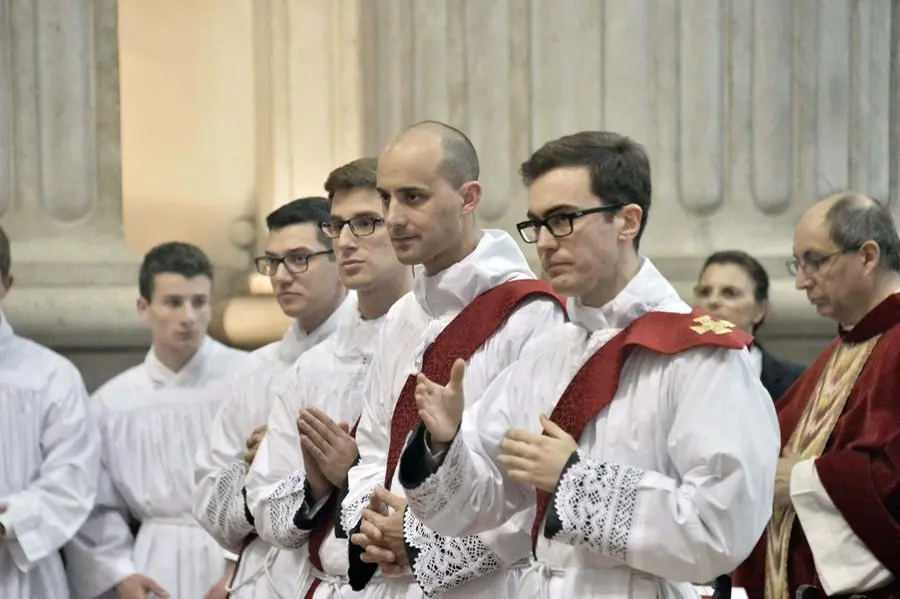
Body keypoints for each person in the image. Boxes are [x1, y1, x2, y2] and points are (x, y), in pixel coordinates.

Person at [399, 130, 780, 599]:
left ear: (627, 221)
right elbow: (475, 507)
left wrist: (574, 481)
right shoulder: (549, 352)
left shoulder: (698, 355)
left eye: (563, 219)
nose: (544, 242)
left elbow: (722, 527)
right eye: (536, 224)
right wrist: (444, 443)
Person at [340, 120, 566, 599]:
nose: (393, 217)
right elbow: (375, 445)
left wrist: (420, 542)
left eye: (413, 197)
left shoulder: (529, 316)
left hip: (489, 584)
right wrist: (373, 520)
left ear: (468, 198)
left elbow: (529, 486)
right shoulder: (403, 314)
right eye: (385, 198)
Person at [245, 156, 414, 599]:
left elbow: (464, 500)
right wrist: (315, 486)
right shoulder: (312, 367)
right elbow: (264, 500)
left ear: (402, 224)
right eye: (337, 226)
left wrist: (354, 473)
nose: (346, 241)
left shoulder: (437, 346)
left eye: (365, 223)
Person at [733, 192, 900, 599]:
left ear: (868, 256)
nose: (801, 280)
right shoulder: (842, 349)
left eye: (816, 261)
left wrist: (804, 480)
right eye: (798, 263)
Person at [63, 242, 248, 599]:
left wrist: (236, 573)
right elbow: (95, 506)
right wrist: (120, 574)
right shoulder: (111, 402)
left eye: (199, 302)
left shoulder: (247, 378)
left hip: (235, 562)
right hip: (151, 563)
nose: (189, 316)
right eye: (173, 302)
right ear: (143, 308)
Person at [193, 197, 356, 598]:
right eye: (272, 262)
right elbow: (207, 493)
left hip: (337, 576)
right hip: (257, 577)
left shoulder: (365, 357)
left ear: (339, 256)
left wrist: (295, 464)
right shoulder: (253, 369)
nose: (281, 276)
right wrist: (257, 472)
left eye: (299, 258)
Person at [0, 226, 101, 599]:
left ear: (6, 283)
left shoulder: (51, 375)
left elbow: (73, 480)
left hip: (21, 576)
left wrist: (5, 521)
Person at [694, 250, 806, 400]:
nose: (712, 301)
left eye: (729, 293)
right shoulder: (672, 372)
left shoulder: (797, 384)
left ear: (760, 310)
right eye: (705, 292)